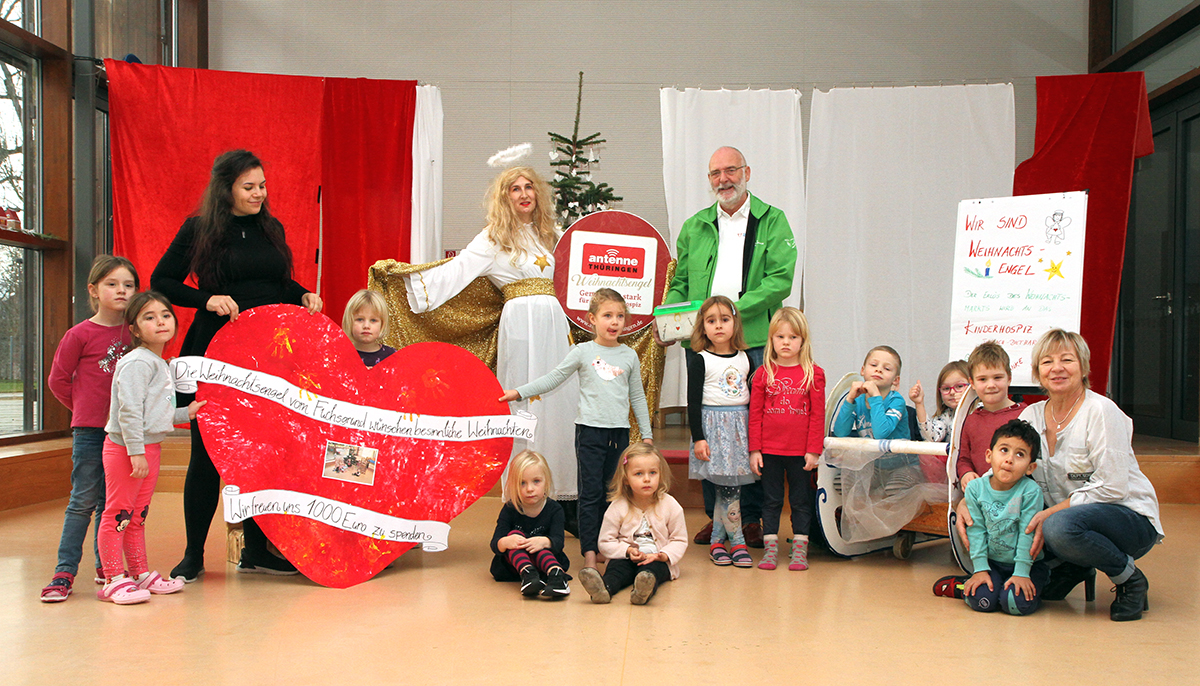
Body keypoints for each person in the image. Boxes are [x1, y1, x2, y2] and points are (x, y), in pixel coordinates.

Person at [151, 149, 322, 581]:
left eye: (262, 186)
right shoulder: (199, 229)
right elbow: (162, 281)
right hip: (215, 353)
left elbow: (276, 282)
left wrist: (302, 294)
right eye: (249, 187)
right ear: (225, 188)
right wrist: (204, 298)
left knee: (263, 455)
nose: (259, 194)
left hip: (267, 356)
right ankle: (193, 555)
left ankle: (256, 551)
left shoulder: (270, 227)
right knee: (207, 456)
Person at [402, 165, 579, 517]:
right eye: (515, 188)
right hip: (521, 326)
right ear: (504, 197)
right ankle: (522, 498)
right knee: (524, 404)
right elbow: (458, 270)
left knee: (561, 404)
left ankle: (560, 496)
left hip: (554, 325)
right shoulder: (493, 238)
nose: (524, 193)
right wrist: (409, 283)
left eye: (529, 186)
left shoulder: (551, 234)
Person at [956, 329, 1163, 622]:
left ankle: (1130, 579)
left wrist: (1051, 513)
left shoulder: (1101, 411)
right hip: (1068, 521)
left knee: (1056, 526)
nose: (1056, 368)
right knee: (1033, 516)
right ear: (1037, 372)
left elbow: (1112, 487)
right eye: (1047, 362)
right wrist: (971, 497)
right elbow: (1002, 469)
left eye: (1067, 360)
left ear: (1084, 368)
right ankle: (1075, 565)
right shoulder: (1032, 416)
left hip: (1128, 519)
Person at [662, 146, 798, 548]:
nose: (723, 179)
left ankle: (751, 518)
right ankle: (716, 516)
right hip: (702, 342)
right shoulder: (694, 226)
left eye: (730, 170)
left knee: (750, 429)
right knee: (705, 426)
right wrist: (669, 317)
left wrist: (732, 311)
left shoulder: (772, 221)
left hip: (753, 341)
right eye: (715, 173)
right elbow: (681, 283)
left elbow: (781, 280)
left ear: (747, 172)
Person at [500, 288, 653, 570]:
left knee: (612, 493)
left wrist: (646, 433)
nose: (614, 321)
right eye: (608, 315)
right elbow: (554, 378)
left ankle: (608, 545)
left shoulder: (629, 355)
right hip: (590, 433)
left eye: (620, 316)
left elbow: (638, 396)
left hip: (618, 434)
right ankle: (590, 553)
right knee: (590, 494)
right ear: (592, 319)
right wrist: (518, 392)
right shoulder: (582, 351)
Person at [96, 292, 206, 604]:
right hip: (128, 451)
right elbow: (128, 411)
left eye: (165, 315)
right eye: (149, 317)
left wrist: (188, 413)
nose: (160, 321)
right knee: (118, 513)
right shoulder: (136, 363)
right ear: (134, 328)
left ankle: (139, 572)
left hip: (149, 448)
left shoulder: (158, 363)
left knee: (138, 515)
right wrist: (135, 452)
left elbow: (154, 414)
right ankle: (113, 578)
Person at [40, 256, 138, 602]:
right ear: (94, 290)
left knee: (111, 503)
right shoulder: (78, 334)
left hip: (125, 435)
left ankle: (107, 567)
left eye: (128, 285)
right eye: (112, 284)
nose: (121, 291)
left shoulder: (137, 332)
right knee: (82, 500)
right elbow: (57, 380)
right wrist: (83, 409)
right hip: (91, 430)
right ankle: (64, 572)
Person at [749, 307, 825, 571]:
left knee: (800, 501)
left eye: (793, 337)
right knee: (770, 500)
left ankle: (800, 550)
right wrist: (754, 449)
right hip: (769, 451)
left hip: (800, 452)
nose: (786, 342)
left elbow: (817, 416)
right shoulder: (763, 373)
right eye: (780, 337)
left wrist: (814, 450)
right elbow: (755, 414)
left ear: (802, 340)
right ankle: (770, 551)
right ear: (771, 340)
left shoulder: (814, 373)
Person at [686, 296, 754, 567]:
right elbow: (692, 402)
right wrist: (699, 437)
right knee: (726, 489)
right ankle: (734, 542)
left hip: (738, 430)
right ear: (702, 327)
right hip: (713, 430)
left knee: (730, 488)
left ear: (735, 324)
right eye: (711, 321)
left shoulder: (746, 358)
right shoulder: (700, 360)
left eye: (724, 320)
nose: (718, 326)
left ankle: (718, 541)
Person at [578, 443, 687, 605]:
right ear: (626, 479)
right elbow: (605, 542)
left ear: (660, 475)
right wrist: (627, 551)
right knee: (616, 571)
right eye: (638, 474)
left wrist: (662, 555)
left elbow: (679, 539)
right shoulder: (617, 507)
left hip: (656, 559)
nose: (647, 479)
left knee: (651, 573)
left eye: (653, 473)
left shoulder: (670, 505)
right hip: (625, 557)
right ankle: (603, 589)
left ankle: (643, 592)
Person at [961, 419, 1049, 616]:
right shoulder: (975, 488)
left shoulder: (1030, 491)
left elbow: (1028, 532)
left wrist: (1022, 573)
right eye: (1004, 450)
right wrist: (981, 569)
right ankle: (960, 586)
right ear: (989, 455)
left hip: (1028, 565)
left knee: (1015, 605)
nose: (1009, 459)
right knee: (982, 601)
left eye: (1020, 454)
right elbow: (976, 530)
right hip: (991, 564)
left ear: (1030, 467)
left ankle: (1036, 585)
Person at [832, 345, 916, 495]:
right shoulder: (858, 400)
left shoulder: (897, 400)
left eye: (887, 368)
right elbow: (840, 433)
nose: (879, 370)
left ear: (895, 380)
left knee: (894, 488)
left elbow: (880, 434)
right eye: (874, 365)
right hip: (873, 465)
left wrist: (876, 397)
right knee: (841, 483)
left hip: (902, 465)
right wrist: (850, 399)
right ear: (863, 370)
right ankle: (855, 517)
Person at [489, 450, 571, 598]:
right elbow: (495, 544)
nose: (529, 489)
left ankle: (557, 576)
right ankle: (528, 576)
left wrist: (544, 541)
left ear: (546, 481)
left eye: (536, 481)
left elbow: (558, 542)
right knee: (516, 535)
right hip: (514, 566)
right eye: (522, 483)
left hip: (545, 563)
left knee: (537, 543)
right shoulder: (509, 509)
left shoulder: (555, 509)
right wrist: (507, 542)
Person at [956, 341, 1027, 488]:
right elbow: (963, 458)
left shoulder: (1026, 414)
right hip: (981, 496)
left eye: (997, 377)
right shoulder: (971, 420)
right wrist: (966, 473)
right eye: (983, 379)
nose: (991, 385)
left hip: (1018, 495)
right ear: (972, 383)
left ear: (1009, 378)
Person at [909, 360, 970, 443]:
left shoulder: (981, 410)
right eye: (946, 388)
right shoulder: (946, 416)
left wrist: (966, 404)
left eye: (959, 386)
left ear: (972, 386)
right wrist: (919, 403)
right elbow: (931, 437)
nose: (952, 392)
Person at [342, 288, 395, 367]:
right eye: (360, 319)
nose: (366, 326)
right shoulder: (340, 355)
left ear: (382, 324)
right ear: (349, 321)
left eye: (373, 320)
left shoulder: (392, 356)